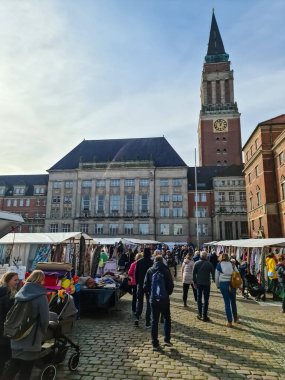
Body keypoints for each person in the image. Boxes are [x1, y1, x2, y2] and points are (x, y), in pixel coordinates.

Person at [2, 270, 49, 380]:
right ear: (41, 280)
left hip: (16, 335)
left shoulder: (20, 293)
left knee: (14, 365)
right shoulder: (41, 296)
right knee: (26, 370)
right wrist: (43, 332)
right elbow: (45, 319)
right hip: (31, 339)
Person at [144, 255, 174, 351]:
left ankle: (155, 343)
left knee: (154, 321)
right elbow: (171, 286)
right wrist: (166, 294)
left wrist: (151, 293)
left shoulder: (149, 270)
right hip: (164, 299)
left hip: (153, 299)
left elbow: (145, 286)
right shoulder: (166, 270)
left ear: (154, 261)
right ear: (162, 261)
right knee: (167, 319)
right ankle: (167, 340)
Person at [0, 272, 19, 375]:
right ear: (8, 281)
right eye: (15, 280)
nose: (17, 282)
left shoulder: (7, 293)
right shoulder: (8, 296)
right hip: (4, 332)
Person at [215, 253, 239, 327]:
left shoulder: (219, 265)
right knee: (233, 302)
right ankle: (235, 318)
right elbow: (237, 273)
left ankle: (229, 321)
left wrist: (218, 285)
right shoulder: (232, 264)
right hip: (232, 284)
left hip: (223, 284)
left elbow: (216, 277)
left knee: (227, 303)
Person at [193, 250, 215, 322]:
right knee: (206, 300)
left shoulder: (196, 263)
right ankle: (204, 315)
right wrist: (214, 280)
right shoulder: (209, 264)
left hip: (199, 283)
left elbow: (193, 274)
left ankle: (200, 314)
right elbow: (213, 273)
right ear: (206, 257)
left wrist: (194, 282)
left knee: (199, 299)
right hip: (206, 284)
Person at [134, 247, 153, 327]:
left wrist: (138, 283)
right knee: (149, 303)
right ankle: (147, 321)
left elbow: (136, 274)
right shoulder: (151, 262)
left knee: (140, 302)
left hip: (141, 284)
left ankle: (137, 318)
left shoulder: (138, 262)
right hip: (149, 285)